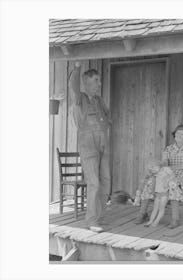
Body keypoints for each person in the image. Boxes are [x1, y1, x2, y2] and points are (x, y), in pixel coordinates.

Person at [69, 62, 112, 232]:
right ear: (87, 82)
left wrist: (107, 126)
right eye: (96, 80)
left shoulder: (99, 100)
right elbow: (72, 84)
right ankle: (91, 220)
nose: (99, 83)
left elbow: (107, 117)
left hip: (103, 142)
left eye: (99, 80)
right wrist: (77, 67)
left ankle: (99, 216)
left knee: (106, 181)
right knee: (94, 183)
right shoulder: (80, 98)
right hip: (88, 144)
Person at [135, 124, 183, 229]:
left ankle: (175, 218)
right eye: (177, 133)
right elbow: (164, 163)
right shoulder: (168, 148)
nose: (179, 135)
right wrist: (156, 169)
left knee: (173, 184)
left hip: (181, 175)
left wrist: (169, 168)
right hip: (166, 173)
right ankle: (143, 213)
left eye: (182, 134)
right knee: (150, 182)